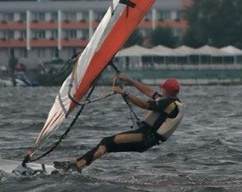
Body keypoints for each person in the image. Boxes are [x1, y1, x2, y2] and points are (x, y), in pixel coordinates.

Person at [53, 73, 184, 173]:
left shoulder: (168, 104)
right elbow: (149, 92)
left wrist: (125, 93)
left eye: (163, 89)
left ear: (165, 91)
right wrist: (130, 80)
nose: (160, 91)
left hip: (146, 137)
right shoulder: (170, 101)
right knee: (107, 145)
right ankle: (76, 163)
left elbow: (144, 104)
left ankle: (78, 166)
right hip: (145, 136)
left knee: (107, 141)